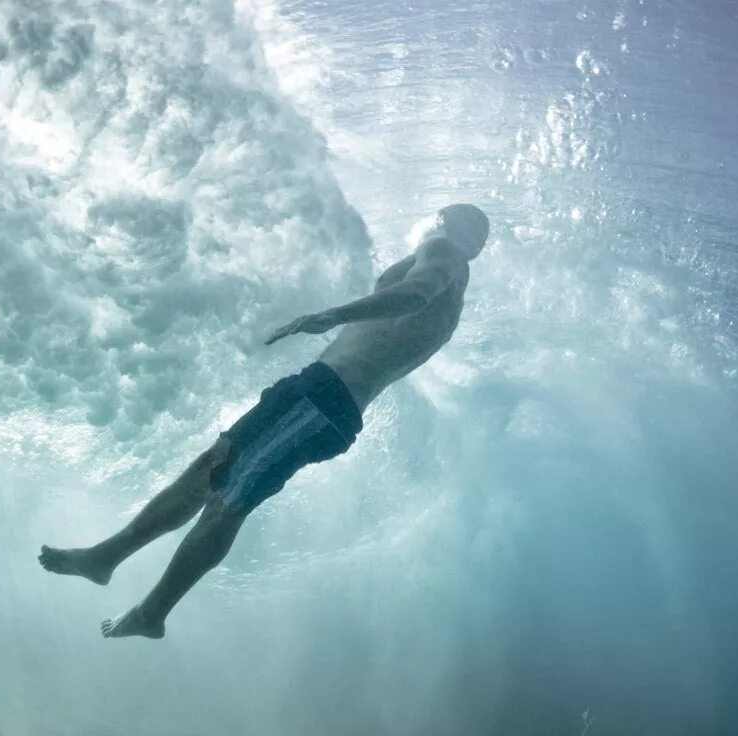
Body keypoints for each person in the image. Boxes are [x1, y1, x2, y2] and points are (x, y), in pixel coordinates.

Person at [39, 204, 490, 638]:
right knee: (211, 469)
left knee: (227, 502)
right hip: (320, 399)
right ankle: (107, 557)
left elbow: (414, 294)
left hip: (323, 400)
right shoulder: (455, 305)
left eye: (439, 221)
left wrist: (331, 314)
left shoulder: (443, 251)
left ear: (449, 224)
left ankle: (152, 612)